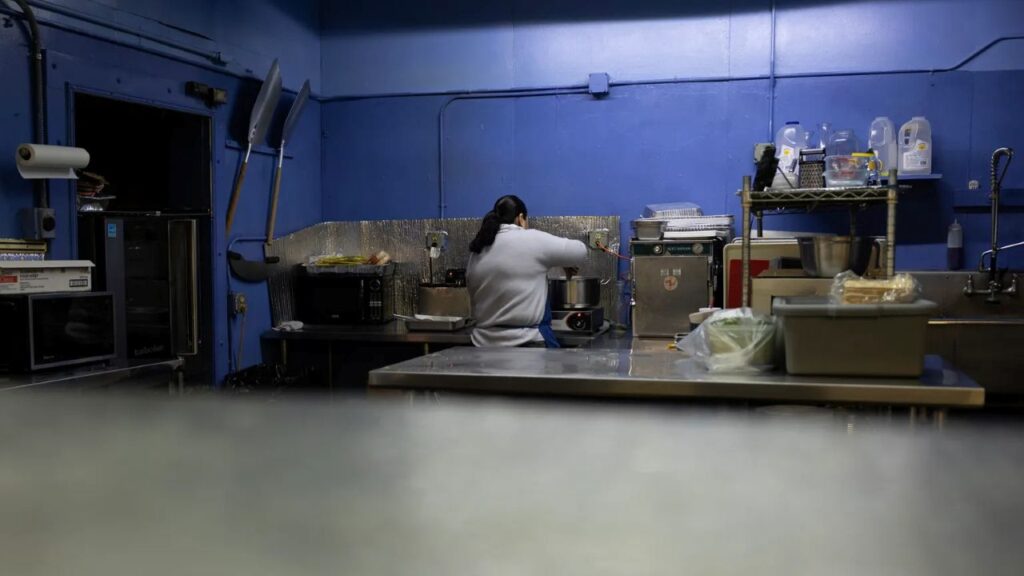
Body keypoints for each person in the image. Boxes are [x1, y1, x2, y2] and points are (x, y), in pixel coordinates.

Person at [466, 195, 588, 348]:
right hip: (526, 344)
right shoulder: (532, 239)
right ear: (521, 218)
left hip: (482, 344)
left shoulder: (478, 248)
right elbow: (580, 251)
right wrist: (564, 261)